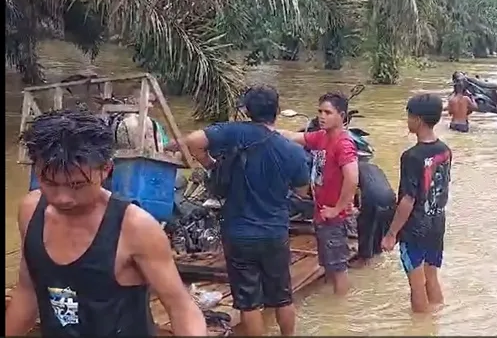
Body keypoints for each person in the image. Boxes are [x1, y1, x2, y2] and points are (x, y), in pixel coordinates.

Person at [6, 109, 207, 337]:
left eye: (77, 185)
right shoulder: (31, 211)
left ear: (106, 170)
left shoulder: (135, 228)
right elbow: (27, 291)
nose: (62, 197)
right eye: (49, 182)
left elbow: (181, 308)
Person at [168, 85, 309, 336]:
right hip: (275, 232)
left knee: (248, 302)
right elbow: (301, 191)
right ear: (276, 110)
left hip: (238, 232)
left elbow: (192, 141)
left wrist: (211, 165)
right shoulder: (293, 151)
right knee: (283, 297)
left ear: (247, 110)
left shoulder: (234, 132)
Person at [279, 91, 359, 296]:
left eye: (328, 112)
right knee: (330, 265)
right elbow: (295, 137)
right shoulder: (322, 137)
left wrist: (338, 208)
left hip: (334, 217)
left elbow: (352, 178)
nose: (322, 116)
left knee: (338, 268)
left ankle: (342, 312)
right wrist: (266, 129)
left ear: (341, 116)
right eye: (320, 111)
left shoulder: (343, 143)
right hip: (322, 213)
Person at [381, 94, 452, 313]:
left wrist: (392, 233)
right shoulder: (445, 151)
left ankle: (421, 325)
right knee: (431, 276)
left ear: (418, 120)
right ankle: (436, 319)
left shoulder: (411, 156)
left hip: (415, 228)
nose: (407, 120)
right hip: (437, 222)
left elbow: (408, 199)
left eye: (409, 116)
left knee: (416, 284)